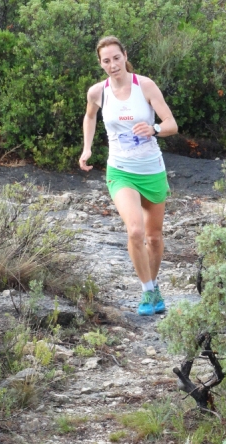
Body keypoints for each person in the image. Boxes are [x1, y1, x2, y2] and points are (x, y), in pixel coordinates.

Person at [79, 36, 178, 316]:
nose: (113, 65)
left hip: (151, 169)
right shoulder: (97, 92)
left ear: (125, 55)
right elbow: (90, 117)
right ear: (101, 64)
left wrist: (154, 129)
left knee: (154, 237)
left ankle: (154, 286)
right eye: (106, 60)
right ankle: (148, 292)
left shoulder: (144, 86)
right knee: (135, 231)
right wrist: (87, 149)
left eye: (116, 58)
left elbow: (172, 124)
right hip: (120, 170)